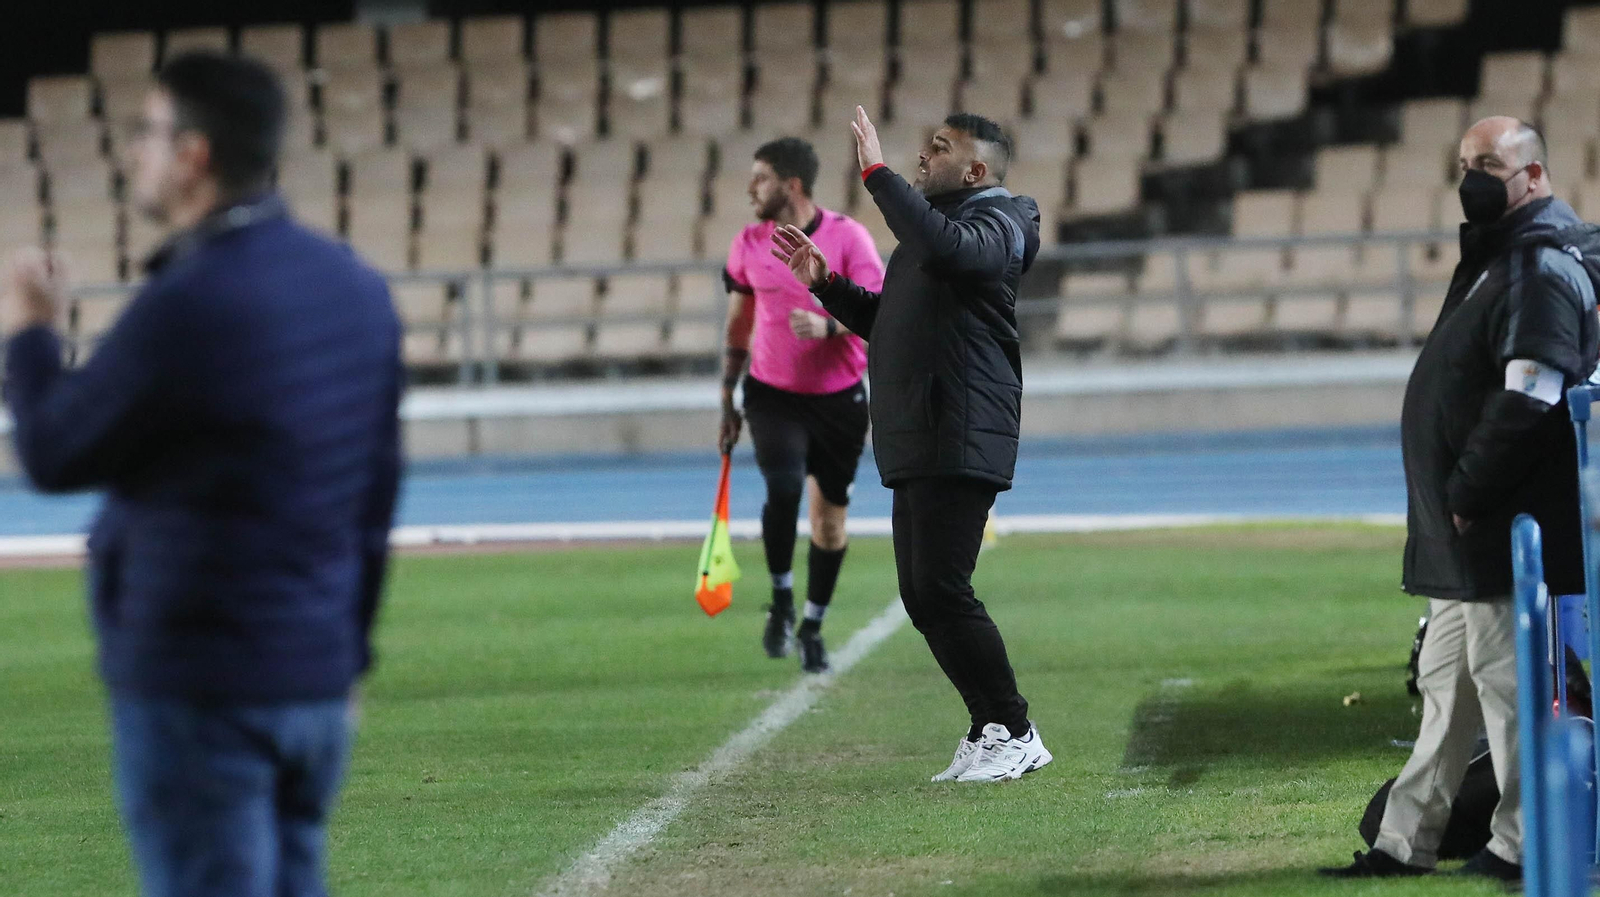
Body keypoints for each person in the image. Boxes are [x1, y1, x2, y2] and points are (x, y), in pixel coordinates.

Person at [2, 52, 403, 897]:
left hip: (200, 682)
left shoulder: (189, 302)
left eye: (146, 132)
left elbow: (53, 450)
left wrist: (32, 334)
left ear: (192, 154)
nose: (132, 154)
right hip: (311, 680)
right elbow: (374, 501)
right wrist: (346, 660)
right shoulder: (355, 290)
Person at [1320, 117, 1599, 883]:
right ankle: (1400, 844)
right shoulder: (1500, 258)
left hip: (1500, 524)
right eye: (1466, 162)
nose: (1472, 176)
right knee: (1448, 685)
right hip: (1464, 530)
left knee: (1506, 689)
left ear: (1535, 176)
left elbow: (1531, 394)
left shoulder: (1538, 267)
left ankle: (1523, 845)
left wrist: (1468, 488)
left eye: (1490, 164)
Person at [769, 107, 1049, 782]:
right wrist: (827, 284)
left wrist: (876, 173)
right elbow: (886, 319)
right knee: (922, 593)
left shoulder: (1001, 223)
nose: (923, 157)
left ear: (976, 169)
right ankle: (988, 725)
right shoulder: (932, 238)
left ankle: (1015, 728)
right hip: (922, 430)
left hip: (961, 427)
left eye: (940, 148)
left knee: (945, 587)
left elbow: (954, 250)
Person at [718, 137, 885, 673]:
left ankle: (813, 622)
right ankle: (782, 598)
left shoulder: (848, 238)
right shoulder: (747, 243)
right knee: (784, 487)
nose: (750, 188)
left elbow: (881, 313)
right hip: (772, 394)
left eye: (760, 177)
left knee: (830, 524)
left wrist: (830, 323)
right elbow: (740, 322)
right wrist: (727, 396)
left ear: (791, 185)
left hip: (839, 400)